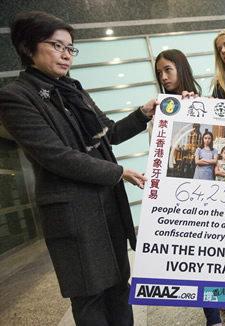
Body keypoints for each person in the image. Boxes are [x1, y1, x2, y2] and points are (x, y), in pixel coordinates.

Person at [0, 11, 159, 325]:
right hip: (74, 212)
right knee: (89, 297)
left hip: (108, 205)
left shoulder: (73, 90)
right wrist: (118, 172)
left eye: (70, 48)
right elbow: (55, 156)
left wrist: (144, 113)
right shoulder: (15, 97)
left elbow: (108, 133)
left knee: (118, 287)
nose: (65, 54)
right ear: (28, 47)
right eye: (57, 45)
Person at [155, 49, 222, 325]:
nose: (163, 77)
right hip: (184, 189)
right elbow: (158, 151)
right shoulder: (162, 107)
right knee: (199, 250)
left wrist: (199, 107)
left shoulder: (210, 101)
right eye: (159, 72)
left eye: (168, 69)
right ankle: (213, 315)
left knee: (222, 248)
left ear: (181, 68)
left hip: (217, 189)